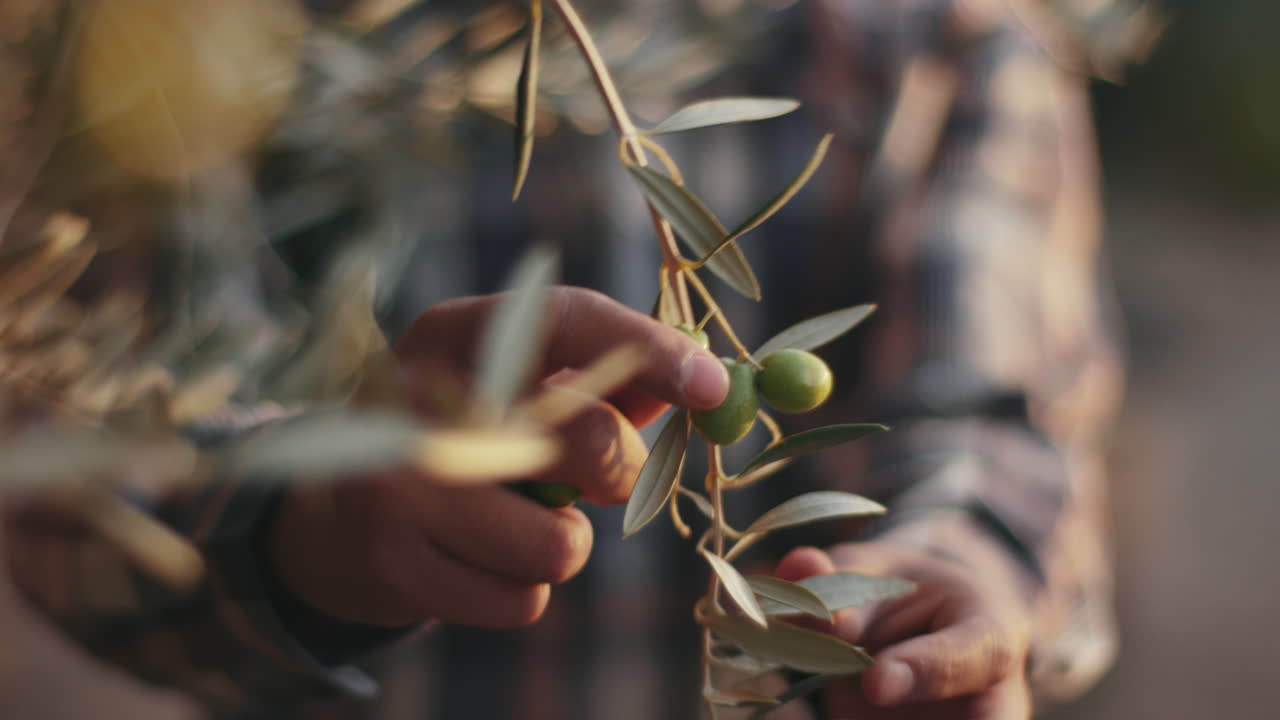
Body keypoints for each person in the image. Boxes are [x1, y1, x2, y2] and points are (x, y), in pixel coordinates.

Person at [0, 0, 1154, 718]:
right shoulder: (195, 48)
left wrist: (958, 568)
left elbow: (998, 412)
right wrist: (315, 524)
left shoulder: (936, 31)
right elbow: (75, 464)